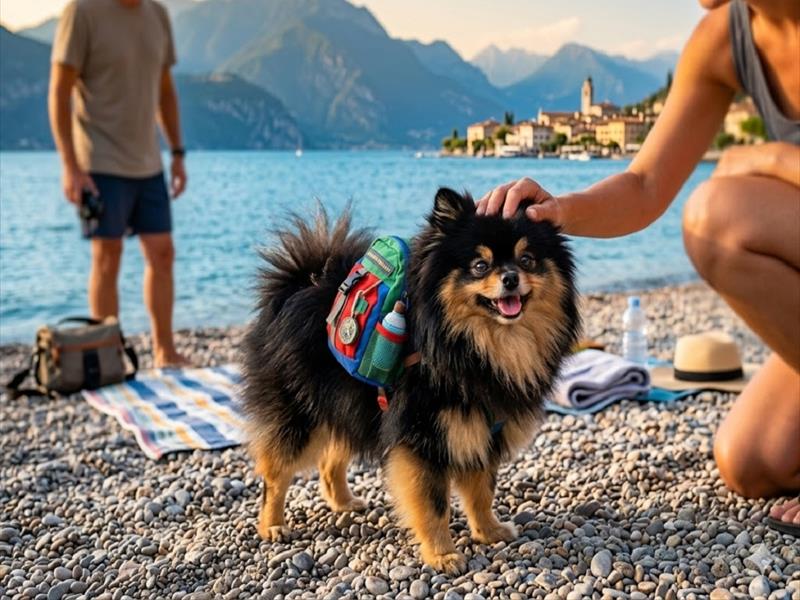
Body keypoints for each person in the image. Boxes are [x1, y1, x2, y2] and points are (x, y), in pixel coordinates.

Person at [477, 0, 799, 532]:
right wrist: (559, 211)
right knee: (753, 459)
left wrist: (765, 159)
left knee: (718, 219)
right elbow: (645, 186)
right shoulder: (724, 37)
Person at [48, 0, 190, 367]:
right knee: (107, 256)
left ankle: (165, 351)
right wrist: (70, 165)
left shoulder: (157, 14)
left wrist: (176, 152)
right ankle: (105, 355)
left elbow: (165, 90)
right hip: (98, 161)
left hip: (148, 161)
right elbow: (59, 91)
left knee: (163, 254)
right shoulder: (83, 12)